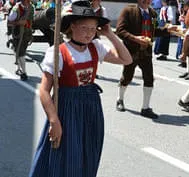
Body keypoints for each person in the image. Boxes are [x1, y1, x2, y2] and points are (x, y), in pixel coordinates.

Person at [28, 1, 132, 177]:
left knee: (88, 153)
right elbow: (44, 91)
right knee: (64, 156)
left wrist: (109, 34)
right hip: (66, 109)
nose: (89, 33)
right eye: (84, 28)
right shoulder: (57, 52)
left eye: (93, 29)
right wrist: (54, 121)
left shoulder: (96, 47)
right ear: (72, 26)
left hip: (91, 107)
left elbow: (126, 59)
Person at [115, 0, 176, 119]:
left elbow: (153, 32)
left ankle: (145, 108)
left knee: (149, 78)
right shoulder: (128, 10)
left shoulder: (152, 13)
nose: (146, 1)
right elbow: (120, 31)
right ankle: (120, 99)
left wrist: (167, 30)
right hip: (131, 51)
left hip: (146, 52)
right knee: (127, 76)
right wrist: (136, 39)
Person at [7, 0, 34, 81]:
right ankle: (24, 72)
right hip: (18, 34)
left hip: (27, 34)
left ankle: (18, 67)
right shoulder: (16, 9)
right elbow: (9, 22)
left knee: (20, 52)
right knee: (20, 53)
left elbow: (31, 20)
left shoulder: (31, 7)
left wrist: (27, 24)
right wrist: (19, 22)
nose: (28, 2)